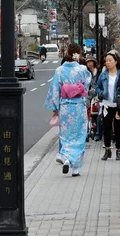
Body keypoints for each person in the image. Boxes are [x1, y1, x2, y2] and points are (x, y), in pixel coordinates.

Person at [44, 43, 91, 177]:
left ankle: (66, 158)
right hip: (79, 107)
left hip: (65, 107)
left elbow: (54, 90)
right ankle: (76, 168)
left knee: (66, 135)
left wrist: (55, 108)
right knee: (80, 135)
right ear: (78, 54)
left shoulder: (59, 71)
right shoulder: (82, 69)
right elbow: (86, 87)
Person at [95, 51, 120, 161]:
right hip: (106, 104)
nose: (108, 63)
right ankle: (107, 150)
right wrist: (101, 93)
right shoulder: (103, 75)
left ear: (116, 61)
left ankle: (119, 150)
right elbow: (98, 87)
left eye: (110, 60)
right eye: (106, 61)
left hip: (118, 104)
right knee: (106, 128)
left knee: (118, 128)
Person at [86, 57, 101, 142]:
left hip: (97, 95)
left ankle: (98, 132)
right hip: (89, 95)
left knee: (98, 114)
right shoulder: (86, 73)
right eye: (88, 62)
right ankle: (90, 131)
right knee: (89, 114)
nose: (89, 64)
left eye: (91, 62)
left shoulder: (98, 72)